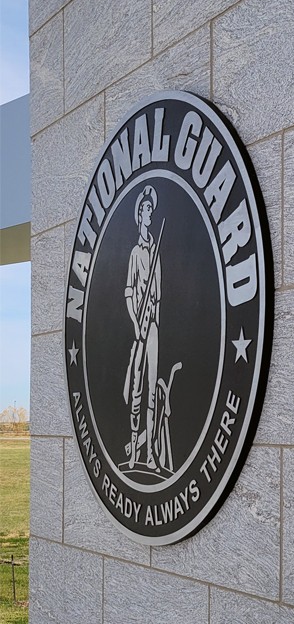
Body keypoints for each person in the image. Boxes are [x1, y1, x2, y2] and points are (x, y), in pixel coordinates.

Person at [124, 185, 162, 470]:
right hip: (138, 328)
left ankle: (150, 454)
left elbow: (158, 295)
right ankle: (134, 451)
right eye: (146, 209)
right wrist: (136, 324)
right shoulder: (136, 254)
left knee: (151, 391)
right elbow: (128, 292)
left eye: (151, 208)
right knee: (136, 390)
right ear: (139, 215)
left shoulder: (156, 253)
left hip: (153, 328)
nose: (149, 213)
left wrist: (153, 323)